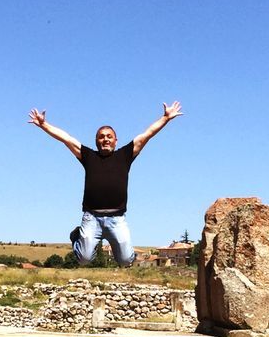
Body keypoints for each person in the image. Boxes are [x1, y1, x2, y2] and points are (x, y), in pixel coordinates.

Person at [28, 102, 183, 266]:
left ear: (116, 140)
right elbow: (66, 139)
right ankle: (76, 236)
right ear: (96, 141)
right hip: (91, 218)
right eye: (101, 137)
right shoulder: (88, 156)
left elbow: (147, 134)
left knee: (125, 261)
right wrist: (44, 125)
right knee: (84, 260)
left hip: (117, 219)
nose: (105, 139)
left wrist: (165, 118)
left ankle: (122, 255)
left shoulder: (125, 155)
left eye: (109, 136)